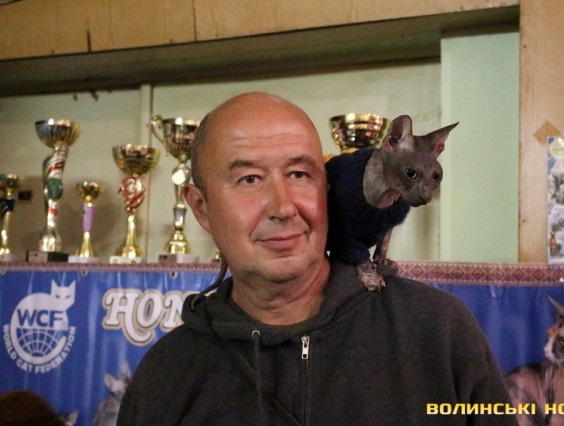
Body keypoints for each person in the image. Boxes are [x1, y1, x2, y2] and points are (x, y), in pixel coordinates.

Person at [117, 92, 517, 425]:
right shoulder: (165, 376)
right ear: (201, 208)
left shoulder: (439, 332)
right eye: (249, 179)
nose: (283, 207)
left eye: (299, 175)